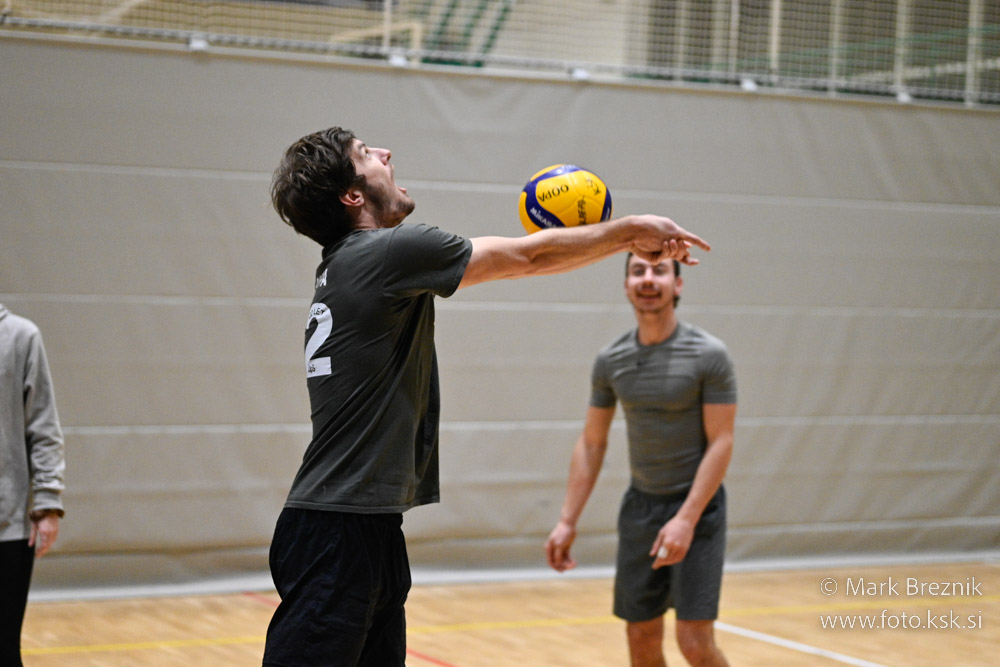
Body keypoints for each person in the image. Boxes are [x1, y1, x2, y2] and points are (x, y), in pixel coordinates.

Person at [262, 125, 710, 667]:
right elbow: (528, 257)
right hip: (338, 532)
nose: (385, 152)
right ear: (352, 196)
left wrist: (624, 239)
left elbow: (532, 258)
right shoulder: (386, 254)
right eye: (365, 154)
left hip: (364, 526)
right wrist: (632, 231)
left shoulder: (349, 265)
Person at [545, 253, 737, 667]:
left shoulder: (709, 354)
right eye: (638, 271)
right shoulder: (611, 360)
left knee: (694, 642)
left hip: (698, 511)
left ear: (677, 284)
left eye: (659, 270)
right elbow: (592, 444)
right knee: (641, 638)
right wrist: (567, 520)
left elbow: (721, 442)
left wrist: (686, 519)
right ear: (626, 285)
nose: (648, 279)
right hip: (640, 511)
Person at [0, 304, 66, 667]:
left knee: (4, 649)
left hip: (7, 526)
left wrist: (47, 503)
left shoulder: (21, 336)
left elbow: (44, 427)